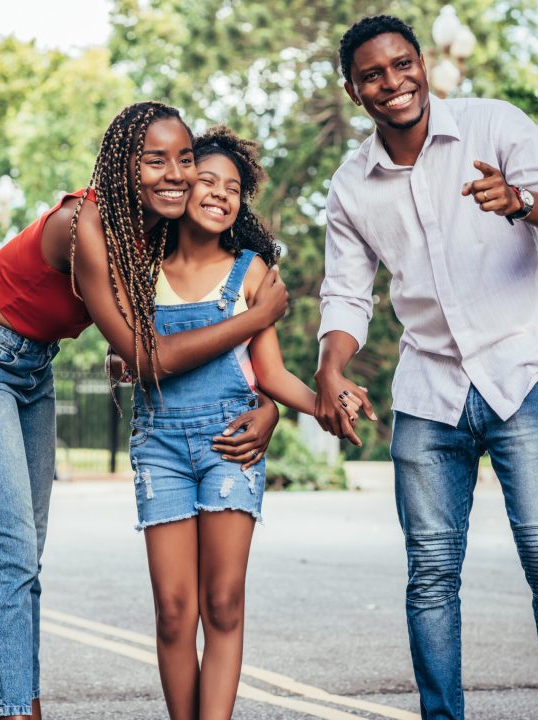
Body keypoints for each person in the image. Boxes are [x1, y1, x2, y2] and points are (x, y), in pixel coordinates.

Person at [314, 15, 538, 720]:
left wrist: (524, 202)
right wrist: (330, 367)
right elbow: (347, 294)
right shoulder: (352, 186)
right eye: (374, 74)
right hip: (429, 391)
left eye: (403, 64)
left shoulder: (492, 125)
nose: (394, 82)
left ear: (423, 64)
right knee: (431, 578)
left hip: (522, 376)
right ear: (354, 90)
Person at [0, 102, 288, 720]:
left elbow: (194, 324)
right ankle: (16, 712)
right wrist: (256, 317)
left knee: (26, 552)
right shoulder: (88, 222)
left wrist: (269, 403)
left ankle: (19, 700)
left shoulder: (156, 231)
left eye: (185, 159)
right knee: (5, 552)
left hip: (33, 366)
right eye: (154, 160)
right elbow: (150, 358)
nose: (174, 174)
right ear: (124, 165)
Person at [125, 126, 358, 720]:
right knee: (174, 611)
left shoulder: (253, 274)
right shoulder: (140, 266)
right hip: (161, 450)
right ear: (180, 189)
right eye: (207, 180)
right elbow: (132, 354)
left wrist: (324, 404)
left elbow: (271, 376)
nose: (220, 194)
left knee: (222, 604)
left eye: (233, 188)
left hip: (231, 446)